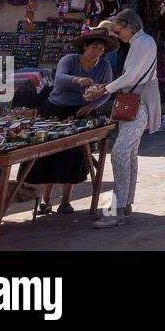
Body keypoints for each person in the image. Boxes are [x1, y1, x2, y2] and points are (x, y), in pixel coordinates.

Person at [82, 9, 160, 228]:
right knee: (129, 154)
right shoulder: (141, 43)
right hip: (137, 101)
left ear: (129, 26)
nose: (118, 35)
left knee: (120, 153)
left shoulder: (142, 42)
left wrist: (103, 89)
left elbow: (131, 76)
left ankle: (116, 210)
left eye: (118, 30)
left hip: (139, 103)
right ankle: (124, 205)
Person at [27, 28, 118, 215]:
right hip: (56, 110)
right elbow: (59, 80)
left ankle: (66, 201)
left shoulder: (105, 67)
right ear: (85, 46)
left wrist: (92, 106)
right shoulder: (69, 60)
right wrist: (77, 80)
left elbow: (107, 91)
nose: (97, 52)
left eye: (101, 49)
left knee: (73, 157)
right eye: (94, 47)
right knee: (48, 156)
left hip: (82, 113)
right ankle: (46, 200)